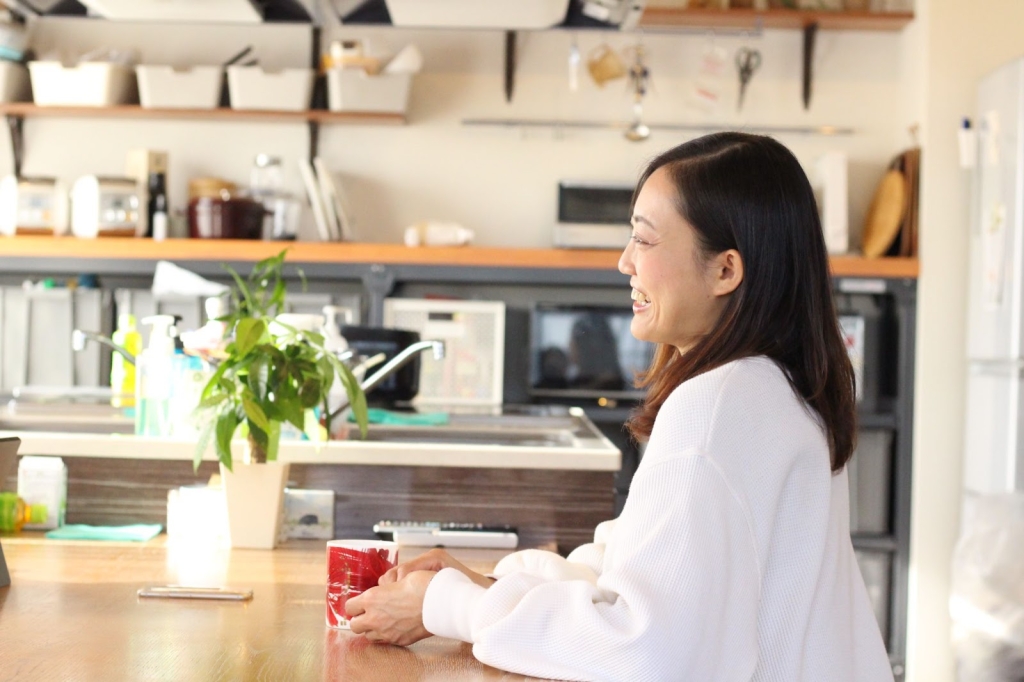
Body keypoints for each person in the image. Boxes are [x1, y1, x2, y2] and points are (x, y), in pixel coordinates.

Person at [345, 132, 894, 682]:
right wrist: (485, 590)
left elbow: (644, 650)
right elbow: (645, 571)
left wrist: (447, 606)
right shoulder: (777, 388)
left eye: (645, 240)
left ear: (725, 270)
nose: (624, 261)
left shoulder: (716, 406)